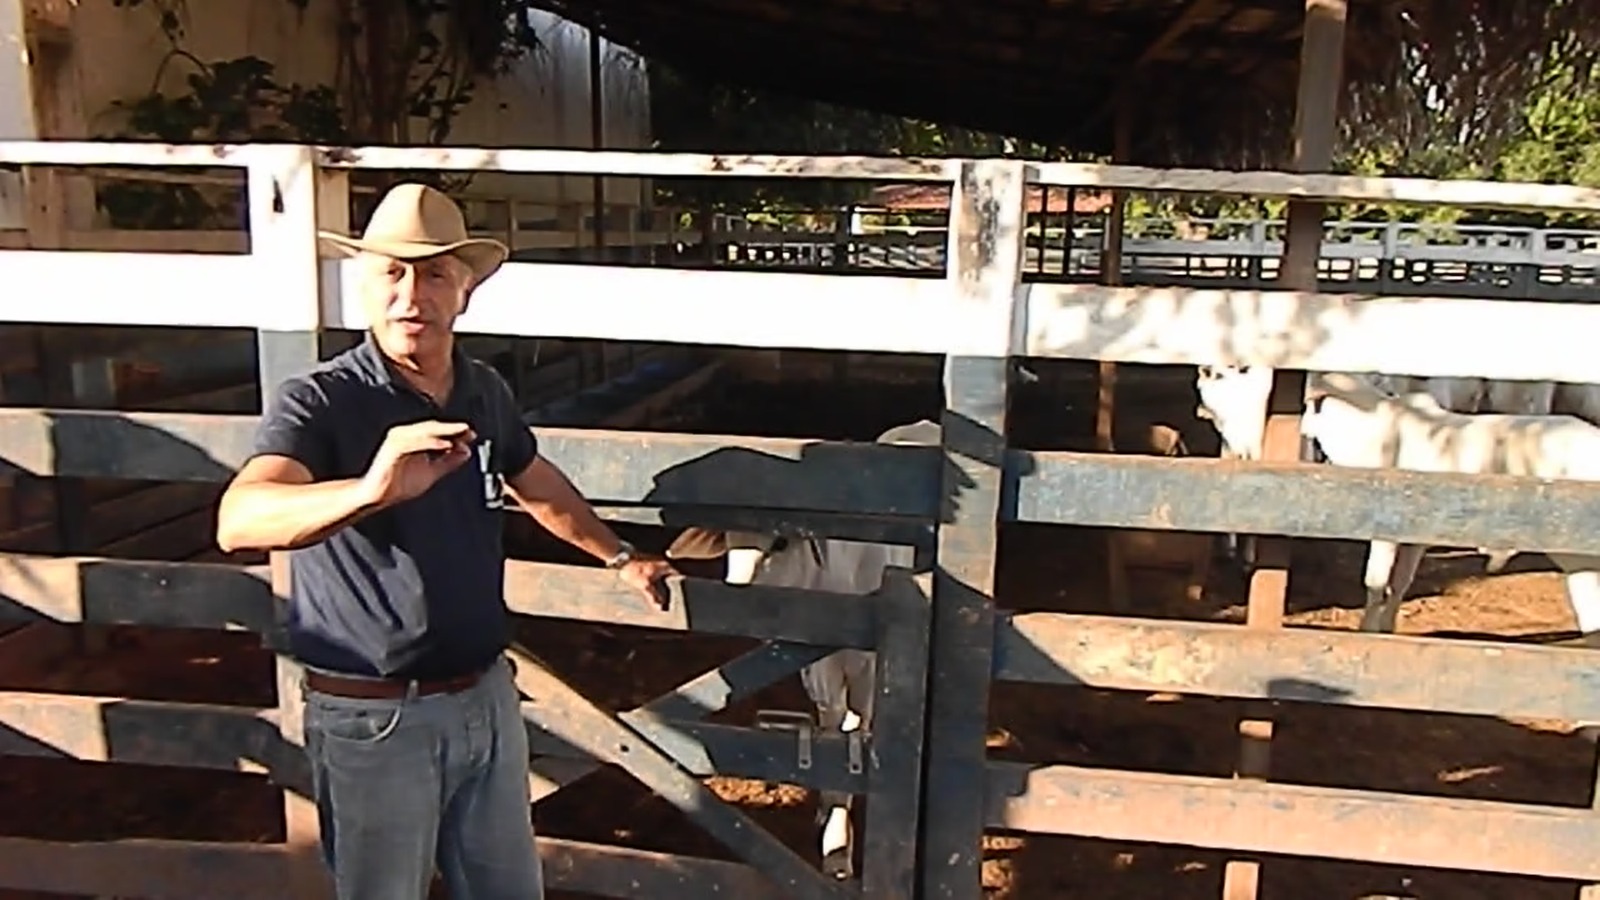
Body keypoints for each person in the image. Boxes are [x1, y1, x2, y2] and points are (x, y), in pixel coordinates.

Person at [215, 181, 677, 900]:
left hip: (484, 697)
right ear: (364, 286)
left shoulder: (481, 390)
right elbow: (240, 519)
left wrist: (619, 555)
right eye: (392, 273)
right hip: (376, 713)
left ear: (465, 291)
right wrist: (371, 490)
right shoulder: (323, 400)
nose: (412, 296)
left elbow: (532, 477)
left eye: (434, 275)